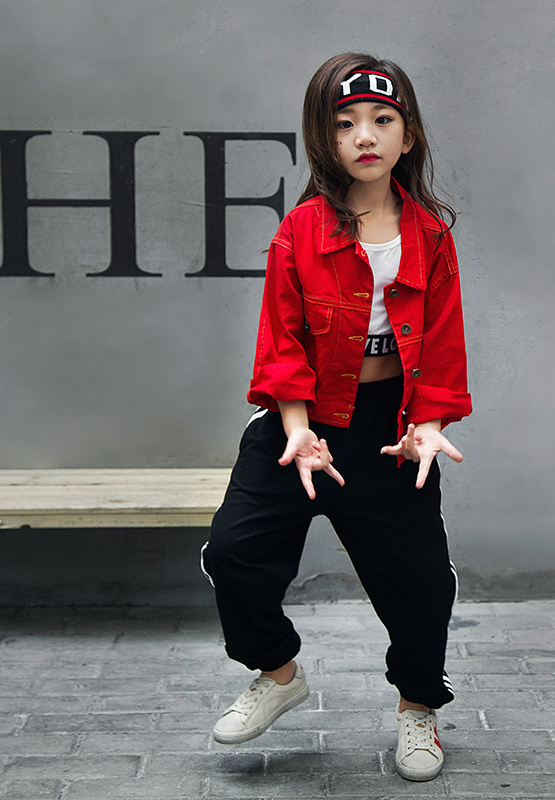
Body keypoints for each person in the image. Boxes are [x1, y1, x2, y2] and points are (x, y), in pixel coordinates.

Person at [200, 52, 472, 782]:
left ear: (408, 136)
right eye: (345, 123)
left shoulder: (431, 236)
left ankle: (419, 707)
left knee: (421, 585)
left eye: (382, 120)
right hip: (304, 422)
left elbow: (443, 342)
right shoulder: (300, 231)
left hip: (389, 432)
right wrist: (297, 430)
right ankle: (278, 674)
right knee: (233, 554)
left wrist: (429, 426)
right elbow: (282, 338)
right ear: (326, 139)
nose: (365, 136)